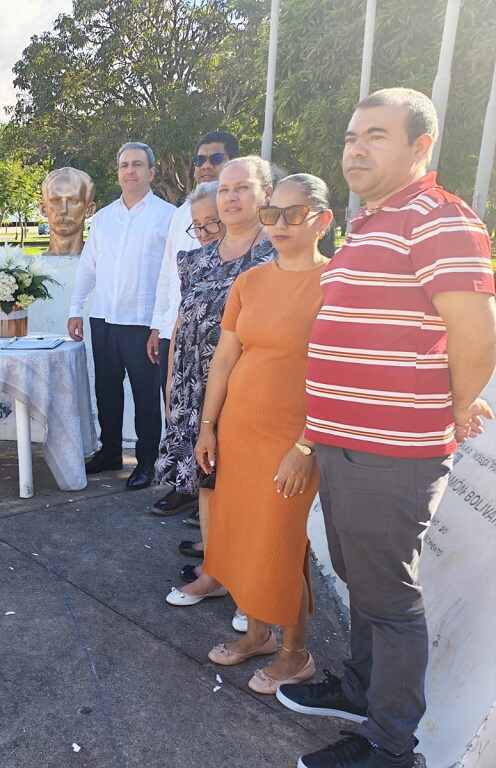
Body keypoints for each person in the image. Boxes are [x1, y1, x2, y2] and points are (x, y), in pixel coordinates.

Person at [277, 89, 496, 768]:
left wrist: (456, 406)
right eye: (351, 137)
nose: (356, 149)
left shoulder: (439, 219)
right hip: (345, 445)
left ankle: (391, 745)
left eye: (376, 135)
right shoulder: (372, 223)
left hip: (392, 452)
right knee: (360, 575)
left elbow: (476, 334)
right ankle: (361, 690)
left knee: (390, 597)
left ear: (420, 146)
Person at [193, 174, 333, 696]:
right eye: (272, 213)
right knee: (240, 534)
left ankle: (295, 654)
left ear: (323, 219)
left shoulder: (337, 283)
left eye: (293, 214)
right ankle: (256, 634)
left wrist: (306, 445)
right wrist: (207, 426)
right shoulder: (249, 282)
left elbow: (339, 375)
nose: (279, 224)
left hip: (294, 437)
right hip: (239, 429)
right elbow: (225, 357)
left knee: (281, 543)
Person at [158, 156, 275, 606]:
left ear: (265, 194)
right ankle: (214, 572)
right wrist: (172, 385)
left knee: (247, 489)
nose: (230, 198)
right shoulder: (197, 259)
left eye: (241, 188)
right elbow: (183, 324)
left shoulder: (275, 257)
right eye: (225, 189)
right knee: (206, 481)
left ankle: (254, 588)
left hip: (248, 393)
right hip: (194, 391)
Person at [67, 142, 175, 490]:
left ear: (151, 172)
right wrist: (75, 309)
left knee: (146, 396)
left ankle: (146, 462)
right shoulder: (103, 218)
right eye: (124, 165)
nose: (130, 171)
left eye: (138, 164)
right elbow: (88, 266)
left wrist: (160, 325)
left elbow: (172, 275)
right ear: (118, 173)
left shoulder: (167, 216)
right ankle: (110, 452)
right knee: (106, 391)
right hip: (103, 319)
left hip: (143, 323)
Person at [150, 130, 239, 515]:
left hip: (222, 346)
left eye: (215, 159)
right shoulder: (180, 213)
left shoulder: (243, 222)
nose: (205, 166)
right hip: (180, 330)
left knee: (220, 426)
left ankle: (217, 509)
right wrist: (159, 325)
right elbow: (169, 276)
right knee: (180, 416)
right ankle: (185, 490)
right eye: (199, 159)